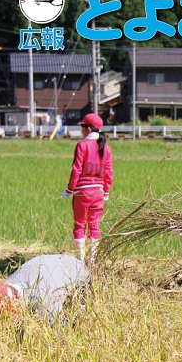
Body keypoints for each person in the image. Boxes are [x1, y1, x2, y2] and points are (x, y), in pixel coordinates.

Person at [62, 113, 113, 265]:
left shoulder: (82, 145)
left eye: (82, 127)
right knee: (94, 225)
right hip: (98, 192)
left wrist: (69, 190)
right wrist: (106, 191)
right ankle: (92, 261)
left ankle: (80, 261)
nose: (81, 130)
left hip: (82, 192)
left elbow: (77, 169)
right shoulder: (106, 147)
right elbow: (108, 171)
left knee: (79, 225)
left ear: (88, 128)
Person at [0, 254, 91, 323]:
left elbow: (62, 332)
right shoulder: (7, 284)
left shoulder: (44, 302)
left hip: (81, 275)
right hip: (51, 262)